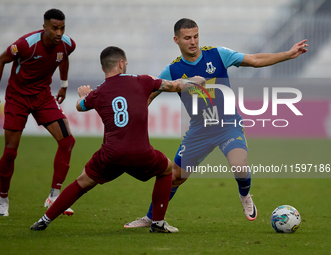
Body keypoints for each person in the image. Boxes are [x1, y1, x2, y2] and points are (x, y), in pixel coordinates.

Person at [124, 18, 309, 228]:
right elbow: (150, 95)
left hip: (228, 125)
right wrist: (133, 115)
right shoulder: (172, 70)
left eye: (196, 36)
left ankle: (245, 195)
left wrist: (287, 54)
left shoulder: (218, 54)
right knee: (175, 177)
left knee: (239, 166)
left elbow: (255, 59)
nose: (193, 41)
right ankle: (151, 217)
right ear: (176, 40)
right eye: (187, 38)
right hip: (199, 131)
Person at [30, 46, 205, 232]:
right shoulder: (142, 81)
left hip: (110, 155)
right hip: (141, 153)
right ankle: (158, 223)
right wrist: (196, 80)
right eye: (126, 63)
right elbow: (177, 85)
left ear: (103, 68)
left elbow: (80, 106)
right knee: (166, 169)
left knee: (82, 182)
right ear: (121, 64)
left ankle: (44, 220)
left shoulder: (98, 93)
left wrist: (83, 95)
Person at [0, 9, 76, 217]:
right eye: (55, 28)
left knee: (67, 141)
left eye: (62, 28)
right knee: (10, 152)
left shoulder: (67, 43)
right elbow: (0, 61)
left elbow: (63, 57)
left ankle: (54, 197)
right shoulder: (25, 44)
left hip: (43, 97)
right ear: (45, 27)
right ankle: (3, 199)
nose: (59, 32)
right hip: (17, 98)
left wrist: (64, 84)